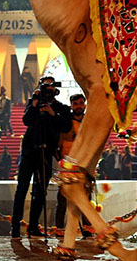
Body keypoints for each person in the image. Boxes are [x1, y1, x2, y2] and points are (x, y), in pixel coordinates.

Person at [10, 76, 72, 238]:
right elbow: (26, 121)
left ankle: (33, 227)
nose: (48, 91)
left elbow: (66, 125)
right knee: (22, 189)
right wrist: (35, 103)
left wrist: (52, 113)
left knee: (40, 190)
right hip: (30, 150)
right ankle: (15, 227)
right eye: (45, 87)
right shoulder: (33, 105)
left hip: (46, 152)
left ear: (55, 90)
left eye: (50, 88)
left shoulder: (61, 108)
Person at [54, 94, 91, 235]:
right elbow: (59, 142)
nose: (78, 106)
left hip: (85, 165)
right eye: (75, 104)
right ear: (71, 105)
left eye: (81, 103)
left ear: (85, 105)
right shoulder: (65, 122)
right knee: (63, 199)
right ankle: (59, 229)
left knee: (86, 199)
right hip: (67, 166)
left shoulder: (89, 121)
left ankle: (87, 230)